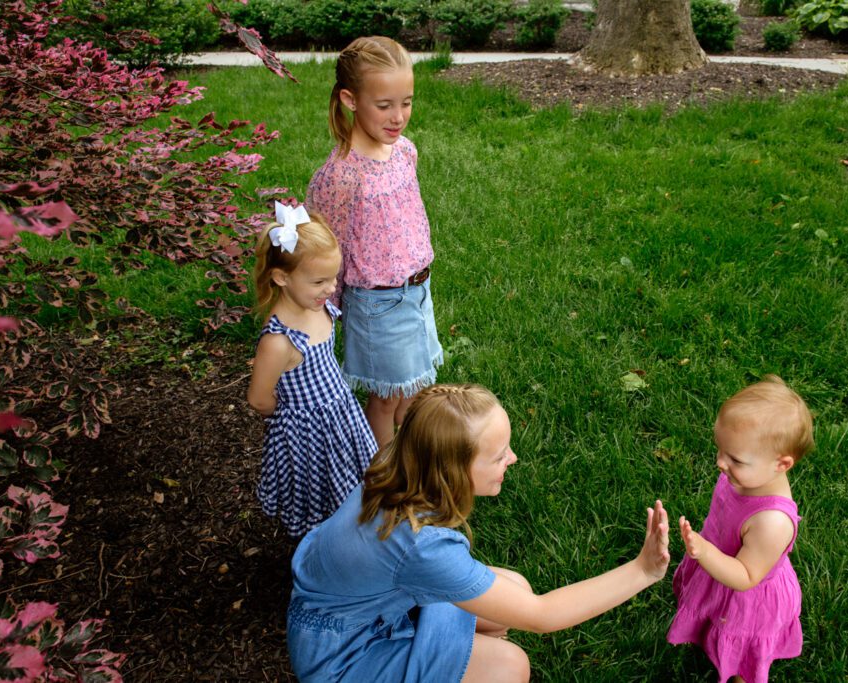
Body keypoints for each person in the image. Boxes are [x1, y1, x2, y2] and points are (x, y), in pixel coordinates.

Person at [287, 383, 670, 682]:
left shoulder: (402, 465)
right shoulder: (422, 546)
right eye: (499, 454)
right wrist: (642, 571)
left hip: (349, 615)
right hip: (341, 660)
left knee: (514, 590)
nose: (513, 459)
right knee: (509, 667)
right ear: (453, 469)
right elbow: (543, 615)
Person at [305, 35, 441, 448]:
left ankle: (407, 457)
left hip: (418, 291)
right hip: (378, 304)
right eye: (384, 105)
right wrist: (323, 310)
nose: (398, 116)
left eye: (407, 102)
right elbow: (325, 248)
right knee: (385, 400)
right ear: (350, 99)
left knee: (411, 390)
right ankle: (384, 481)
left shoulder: (404, 152)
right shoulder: (343, 175)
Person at [667, 375, 814, 683]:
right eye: (721, 450)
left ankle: (740, 671)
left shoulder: (771, 522)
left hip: (749, 599)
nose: (721, 462)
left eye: (734, 458)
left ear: (781, 464)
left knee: (740, 644)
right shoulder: (747, 476)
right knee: (713, 618)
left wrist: (704, 551)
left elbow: (746, 577)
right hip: (719, 566)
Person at [246, 201, 378, 539]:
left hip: (341, 415)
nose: (331, 288)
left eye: (333, 278)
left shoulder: (318, 307)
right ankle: (326, 548)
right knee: (321, 492)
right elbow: (260, 399)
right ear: (281, 277)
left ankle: (354, 534)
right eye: (319, 281)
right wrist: (296, 414)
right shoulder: (279, 342)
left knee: (353, 480)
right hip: (308, 435)